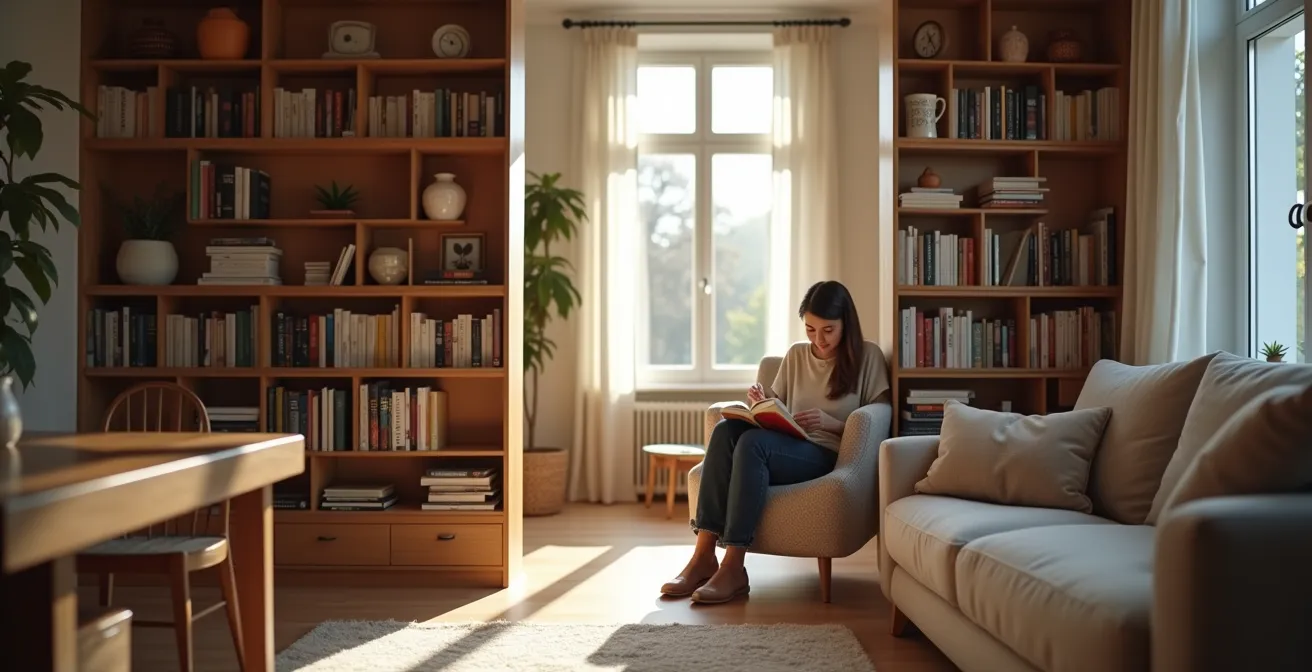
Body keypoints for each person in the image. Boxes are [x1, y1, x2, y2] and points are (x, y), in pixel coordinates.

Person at [660, 280, 890, 604]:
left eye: (827, 330)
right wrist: (761, 401)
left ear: (845, 324)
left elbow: (882, 414)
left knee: (754, 445)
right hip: (787, 443)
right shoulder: (796, 354)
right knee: (727, 432)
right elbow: (777, 404)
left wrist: (834, 424)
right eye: (810, 329)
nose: (818, 340)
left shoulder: (868, 357)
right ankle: (703, 557)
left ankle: (734, 567)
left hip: (825, 453)